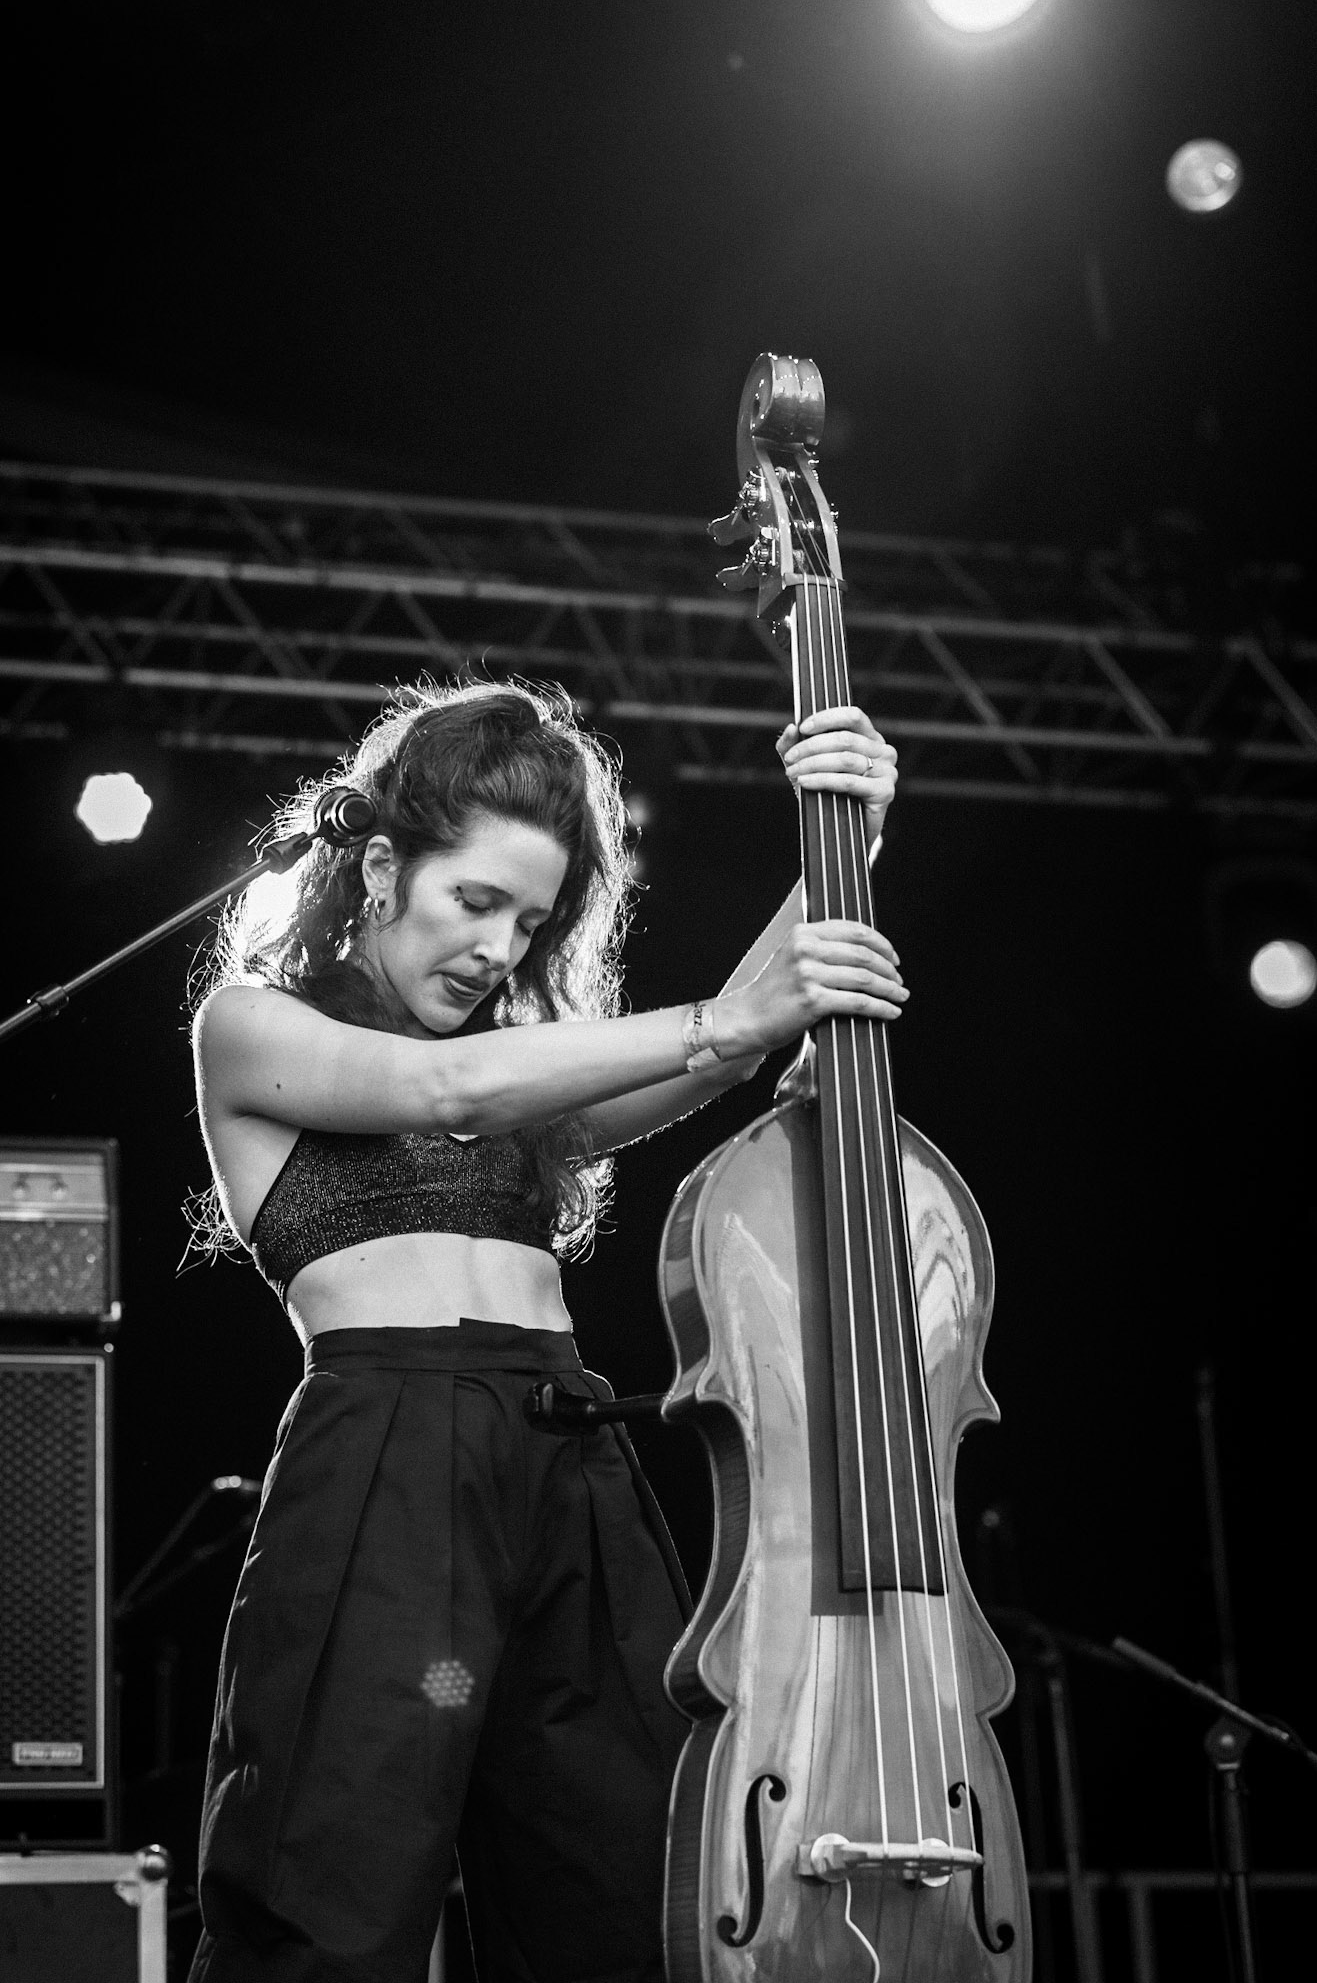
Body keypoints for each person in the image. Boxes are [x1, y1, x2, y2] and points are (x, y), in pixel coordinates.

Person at [186, 678, 903, 1983]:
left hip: (573, 1456)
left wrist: (848, 826)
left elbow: (721, 1053)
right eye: (476, 902)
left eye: (529, 923)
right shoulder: (250, 1025)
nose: (499, 949)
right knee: (329, 1881)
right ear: (381, 865)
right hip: (390, 1454)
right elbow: (446, 1091)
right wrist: (723, 1022)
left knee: (626, 1882)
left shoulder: (528, 1076)